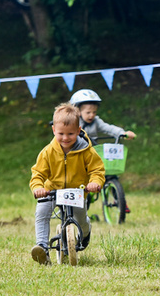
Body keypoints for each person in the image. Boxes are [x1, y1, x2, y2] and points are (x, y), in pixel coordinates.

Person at [30, 103, 105, 264]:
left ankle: (85, 234)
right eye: (61, 133)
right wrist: (38, 187)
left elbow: (97, 170)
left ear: (78, 131)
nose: (65, 138)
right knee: (42, 212)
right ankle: (42, 247)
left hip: (77, 192)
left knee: (81, 219)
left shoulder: (86, 151)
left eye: (70, 133)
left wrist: (94, 182)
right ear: (54, 131)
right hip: (52, 191)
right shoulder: (48, 152)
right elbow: (38, 173)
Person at [70, 89, 137, 143]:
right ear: (77, 111)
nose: (92, 115)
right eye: (88, 112)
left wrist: (123, 133)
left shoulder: (96, 121)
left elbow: (109, 129)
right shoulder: (73, 122)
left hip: (92, 150)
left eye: (94, 112)